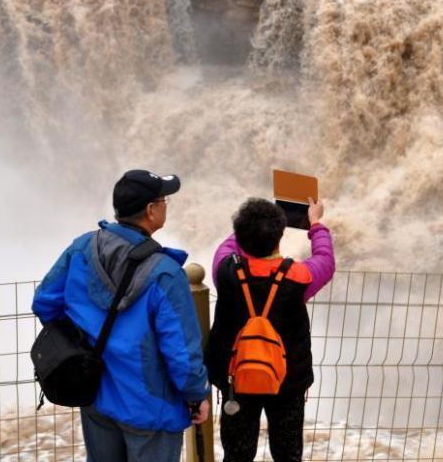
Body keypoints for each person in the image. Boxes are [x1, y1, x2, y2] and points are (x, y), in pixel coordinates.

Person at [32, 169, 210, 462]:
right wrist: (196, 394)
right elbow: (181, 353)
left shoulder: (83, 248)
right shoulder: (165, 274)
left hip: (95, 395)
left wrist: (81, 337)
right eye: (165, 199)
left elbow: (44, 302)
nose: (166, 205)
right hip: (151, 407)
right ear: (152, 210)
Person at [206, 197, 335, 462]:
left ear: (241, 236)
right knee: (287, 455)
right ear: (279, 238)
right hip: (286, 382)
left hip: (236, 379)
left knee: (237, 454)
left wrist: (251, 224)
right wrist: (317, 224)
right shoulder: (299, 277)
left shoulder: (225, 272)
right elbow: (325, 259)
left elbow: (226, 247)